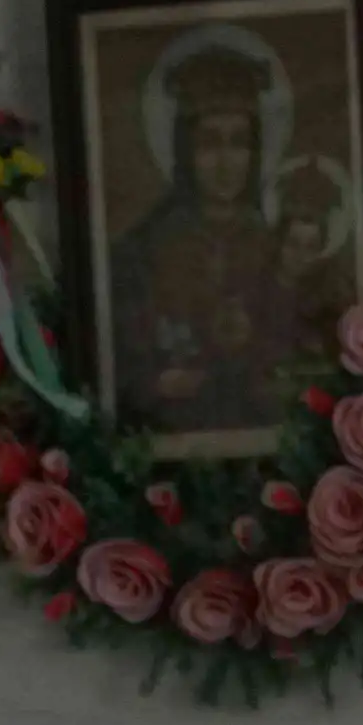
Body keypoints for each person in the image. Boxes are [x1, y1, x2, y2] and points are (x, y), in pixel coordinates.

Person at [108, 42, 300, 436]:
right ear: (185, 151)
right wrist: (157, 382)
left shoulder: (279, 249)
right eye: (210, 143)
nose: (226, 162)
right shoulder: (140, 253)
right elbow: (120, 371)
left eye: (239, 142)